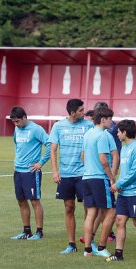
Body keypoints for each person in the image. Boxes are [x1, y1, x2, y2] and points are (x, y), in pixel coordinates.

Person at [105, 120, 136, 262]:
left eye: (119, 131)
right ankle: (119, 254)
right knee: (120, 221)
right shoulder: (124, 148)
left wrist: (118, 183)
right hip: (124, 193)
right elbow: (126, 172)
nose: (117, 133)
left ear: (125, 132)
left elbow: (135, 172)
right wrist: (120, 185)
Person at [49, 99, 93, 254]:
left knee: (89, 207)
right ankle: (71, 244)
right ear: (72, 112)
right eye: (81, 110)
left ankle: (89, 241)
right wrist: (55, 171)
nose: (84, 112)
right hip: (66, 175)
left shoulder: (89, 125)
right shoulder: (58, 126)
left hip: (84, 174)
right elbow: (53, 149)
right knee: (69, 207)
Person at [9, 106, 50, 240]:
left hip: (31, 172)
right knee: (21, 201)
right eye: (14, 122)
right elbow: (17, 145)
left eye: (17, 121)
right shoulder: (17, 129)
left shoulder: (36, 129)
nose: (16, 124)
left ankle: (39, 232)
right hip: (18, 171)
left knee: (34, 201)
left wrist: (41, 162)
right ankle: (27, 231)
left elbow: (50, 144)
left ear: (24, 118)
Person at [81, 107, 116, 257]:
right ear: (103, 119)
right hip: (100, 179)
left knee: (91, 213)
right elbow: (103, 160)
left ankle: (88, 249)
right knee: (111, 213)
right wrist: (111, 177)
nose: (111, 122)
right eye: (110, 119)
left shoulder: (87, 134)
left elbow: (82, 156)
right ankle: (101, 248)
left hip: (87, 177)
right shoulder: (104, 135)